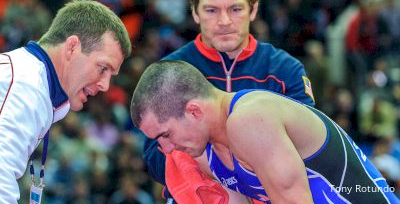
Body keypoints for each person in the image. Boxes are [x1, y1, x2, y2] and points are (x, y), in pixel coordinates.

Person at [132, 60, 400, 204]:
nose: (165, 149)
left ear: (194, 111)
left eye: (164, 135)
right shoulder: (205, 150)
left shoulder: (250, 119)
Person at [142, 0, 316, 201]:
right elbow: (155, 158)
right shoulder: (167, 73)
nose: (224, 21)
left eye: (235, 9)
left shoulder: (285, 69)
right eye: (211, 10)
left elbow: (306, 147)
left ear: (253, 9)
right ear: (195, 12)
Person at [0, 0, 132, 203]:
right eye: (103, 68)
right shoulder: (26, 85)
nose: (105, 85)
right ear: (72, 47)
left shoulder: (34, 82)